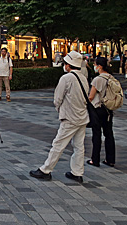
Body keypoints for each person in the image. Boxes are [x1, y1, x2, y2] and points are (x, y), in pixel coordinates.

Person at [30, 51, 89, 183]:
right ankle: (77, 172)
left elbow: (57, 99)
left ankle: (46, 170)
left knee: (58, 144)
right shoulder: (83, 77)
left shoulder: (66, 78)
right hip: (82, 116)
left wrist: (60, 110)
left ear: (68, 65)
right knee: (79, 146)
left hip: (70, 117)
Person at [86, 57, 116, 167]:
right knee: (109, 135)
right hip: (108, 109)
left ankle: (95, 159)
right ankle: (110, 159)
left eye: (95, 64)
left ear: (100, 66)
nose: (94, 66)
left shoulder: (98, 79)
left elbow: (91, 96)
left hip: (98, 108)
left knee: (96, 135)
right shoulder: (111, 77)